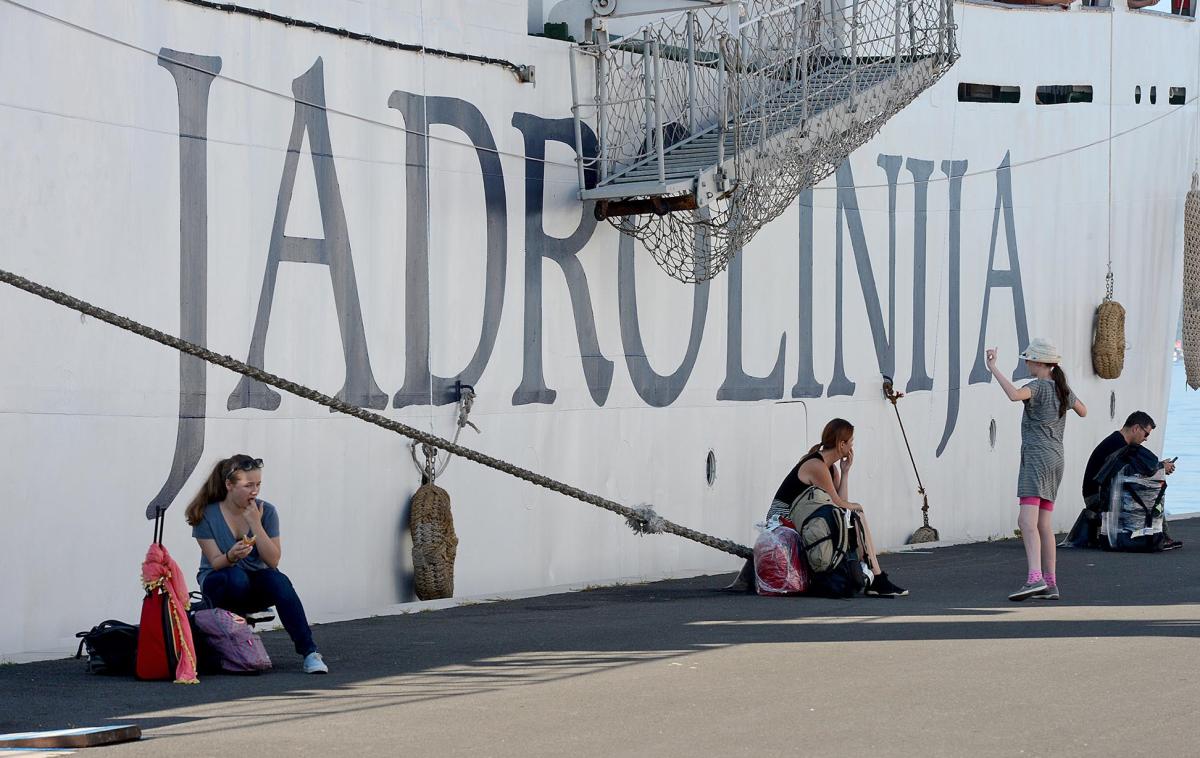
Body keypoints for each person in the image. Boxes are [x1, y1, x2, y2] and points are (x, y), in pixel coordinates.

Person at [184, 454, 328, 674]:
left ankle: (310, 653)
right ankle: (239, 639)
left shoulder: (266, 511)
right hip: (219, 581)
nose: (255, 491)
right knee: (235, 576)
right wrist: (231, 555)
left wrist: (255, 524)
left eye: (258, 484)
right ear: (229, 485)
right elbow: (214, 562)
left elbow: (273, 560)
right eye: (248, 485)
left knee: (279, 581)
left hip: (256, 583)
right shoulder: (206, 513)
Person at [986, 339, 1087, 602]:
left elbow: (1013, 395)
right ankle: (1051, 582)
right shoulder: (1062, 389)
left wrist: (993, 368)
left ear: (1041, 363)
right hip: (1056, 458)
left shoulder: (1038, 386)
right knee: (1043, 523)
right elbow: (1083, 411)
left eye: (1029, 360)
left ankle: (1035, 578)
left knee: (1026, 522)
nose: (1026, 363)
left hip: (1036, 459)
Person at [768, 418, 908, 597]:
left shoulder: (830, 468)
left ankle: (873, 574)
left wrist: (845, 472)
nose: (852, 447)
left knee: (854, 514)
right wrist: (858, 508)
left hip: (802, 519)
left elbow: (840, 508)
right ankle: (877, 576)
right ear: (841, 444)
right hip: (781, 521)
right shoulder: (816, 465)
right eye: (851, 442)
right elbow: (839, 505)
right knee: (857, 512)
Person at [1072, 411, 1182, 549]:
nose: (1146, 438)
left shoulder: (1117, 442)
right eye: (1146, 434)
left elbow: (1131, 471)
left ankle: (1159, 536)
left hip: (1098, 493)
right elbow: (1133, 474)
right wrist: (1159, 468)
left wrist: (1159, 467)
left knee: (1149, 492)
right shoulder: (1118, 445)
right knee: (1151, 495)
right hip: (1097, 497)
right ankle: (1157, 536)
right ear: (1136, 428)